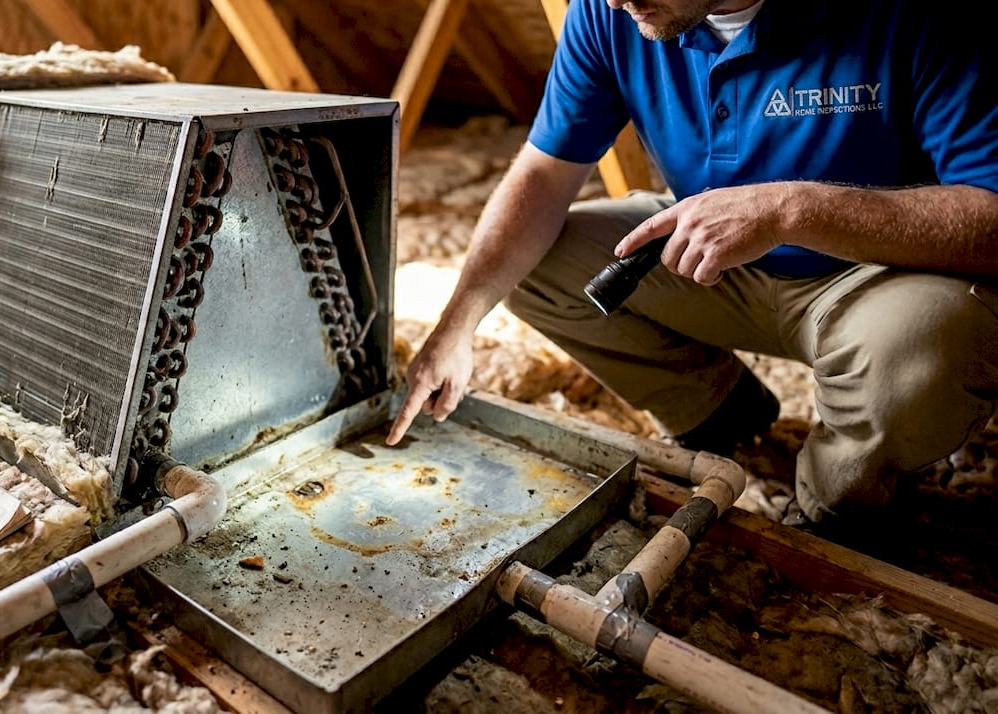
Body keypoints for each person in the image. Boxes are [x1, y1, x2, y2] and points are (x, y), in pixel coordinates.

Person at [385, 0, 998, 530]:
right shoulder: (610, 10)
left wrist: (790, 207)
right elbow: (544, 176)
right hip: (712, 256)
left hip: (880, 273)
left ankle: (832, 513)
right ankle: (718, 409)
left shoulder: (914, 13)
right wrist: (458, 323)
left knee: (928, 346)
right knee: (532, 267)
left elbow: (990, 218)